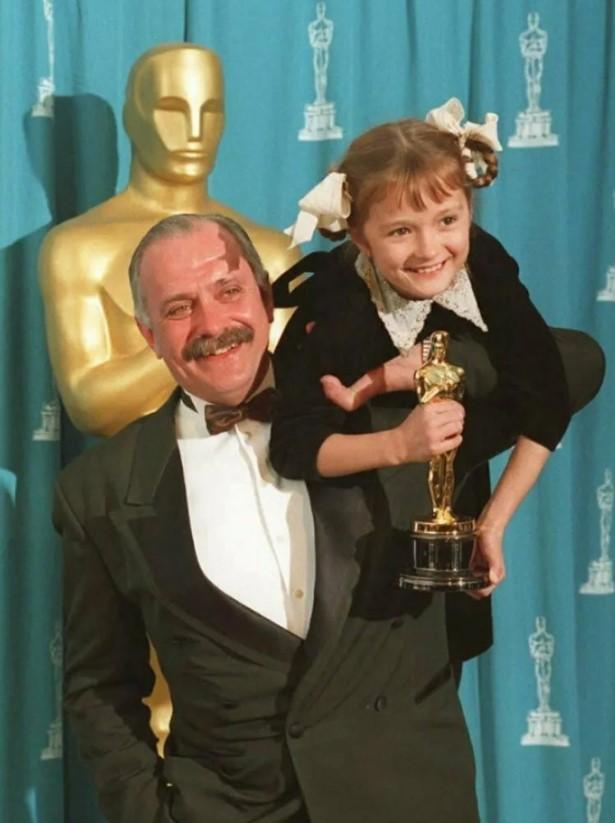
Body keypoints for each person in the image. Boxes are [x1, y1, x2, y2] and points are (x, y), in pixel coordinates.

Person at [54, 213, 483, 823]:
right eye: (178, 308)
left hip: (406, 801)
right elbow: (99, 687)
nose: (212, 325)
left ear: (264, 298)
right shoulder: (97, 490)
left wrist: (426, 361)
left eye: (228, 291)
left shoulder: (381, 413)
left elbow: (577, 364)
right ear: (149, 336)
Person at [271, 98, 604, 661]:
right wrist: (399, 441)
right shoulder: (335, 309)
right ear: (359, 236)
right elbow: (292, 447)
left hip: (449, 509)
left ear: (469, 211)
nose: (430, 250)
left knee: (577, 356)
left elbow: (546, 394)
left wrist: (490, 524)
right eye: (401, 230)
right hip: (354, 533)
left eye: (448, 221)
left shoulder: (484, 261)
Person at [39, 42, 299, 437]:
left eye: (210, 111)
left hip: (265, 464)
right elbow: (91, 407)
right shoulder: (77, 249)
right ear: (132, 118)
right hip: (139, 472)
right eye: (172, 110)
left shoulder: (272, 251)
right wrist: (205, 340)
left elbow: (290, 384)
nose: (194, 132)